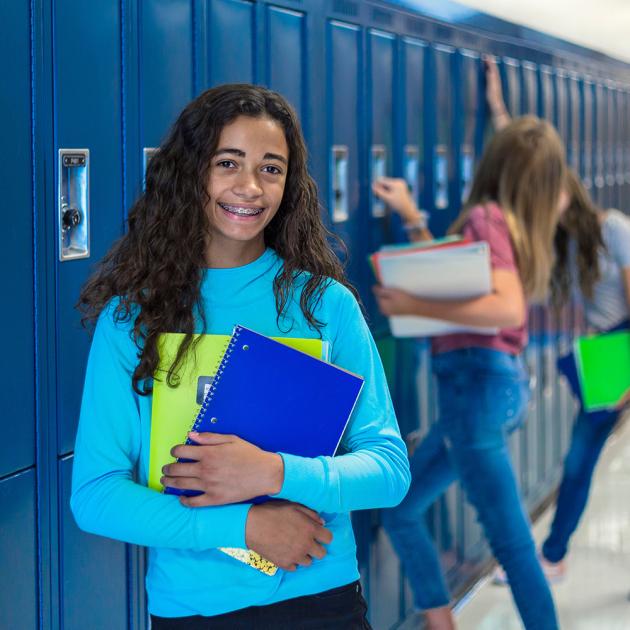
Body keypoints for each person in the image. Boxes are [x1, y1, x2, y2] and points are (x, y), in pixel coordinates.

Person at [70, 84, 411, 630]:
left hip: (321, 598)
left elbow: (389, 470)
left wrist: (273, 472)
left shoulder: (324, 306)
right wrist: (246, 528)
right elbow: (96, 495)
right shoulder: (131, 319)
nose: (250, 187)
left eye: (271, 169)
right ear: (191, 172)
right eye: (229, 162)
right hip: (194, 608)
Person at [372, 116, 568, 629]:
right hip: (488, 392)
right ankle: (440, 618)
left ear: (493, 164)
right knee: (402, 508)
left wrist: (414, 303)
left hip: (475, 393)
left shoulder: (486, 216)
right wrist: (415, 219)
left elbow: (505, 308)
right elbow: (459, 277)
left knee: (511, 542)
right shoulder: (519, 226)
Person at [485, 57, 630, 582]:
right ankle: (553, 555)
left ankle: (552, 555)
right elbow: (522, 166)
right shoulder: (559, 243)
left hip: (621, 347)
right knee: (581, 456)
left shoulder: (613, 228)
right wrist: (500, 111)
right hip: (600, 351)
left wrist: (626, 380)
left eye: (554, 192)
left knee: (580, 458)